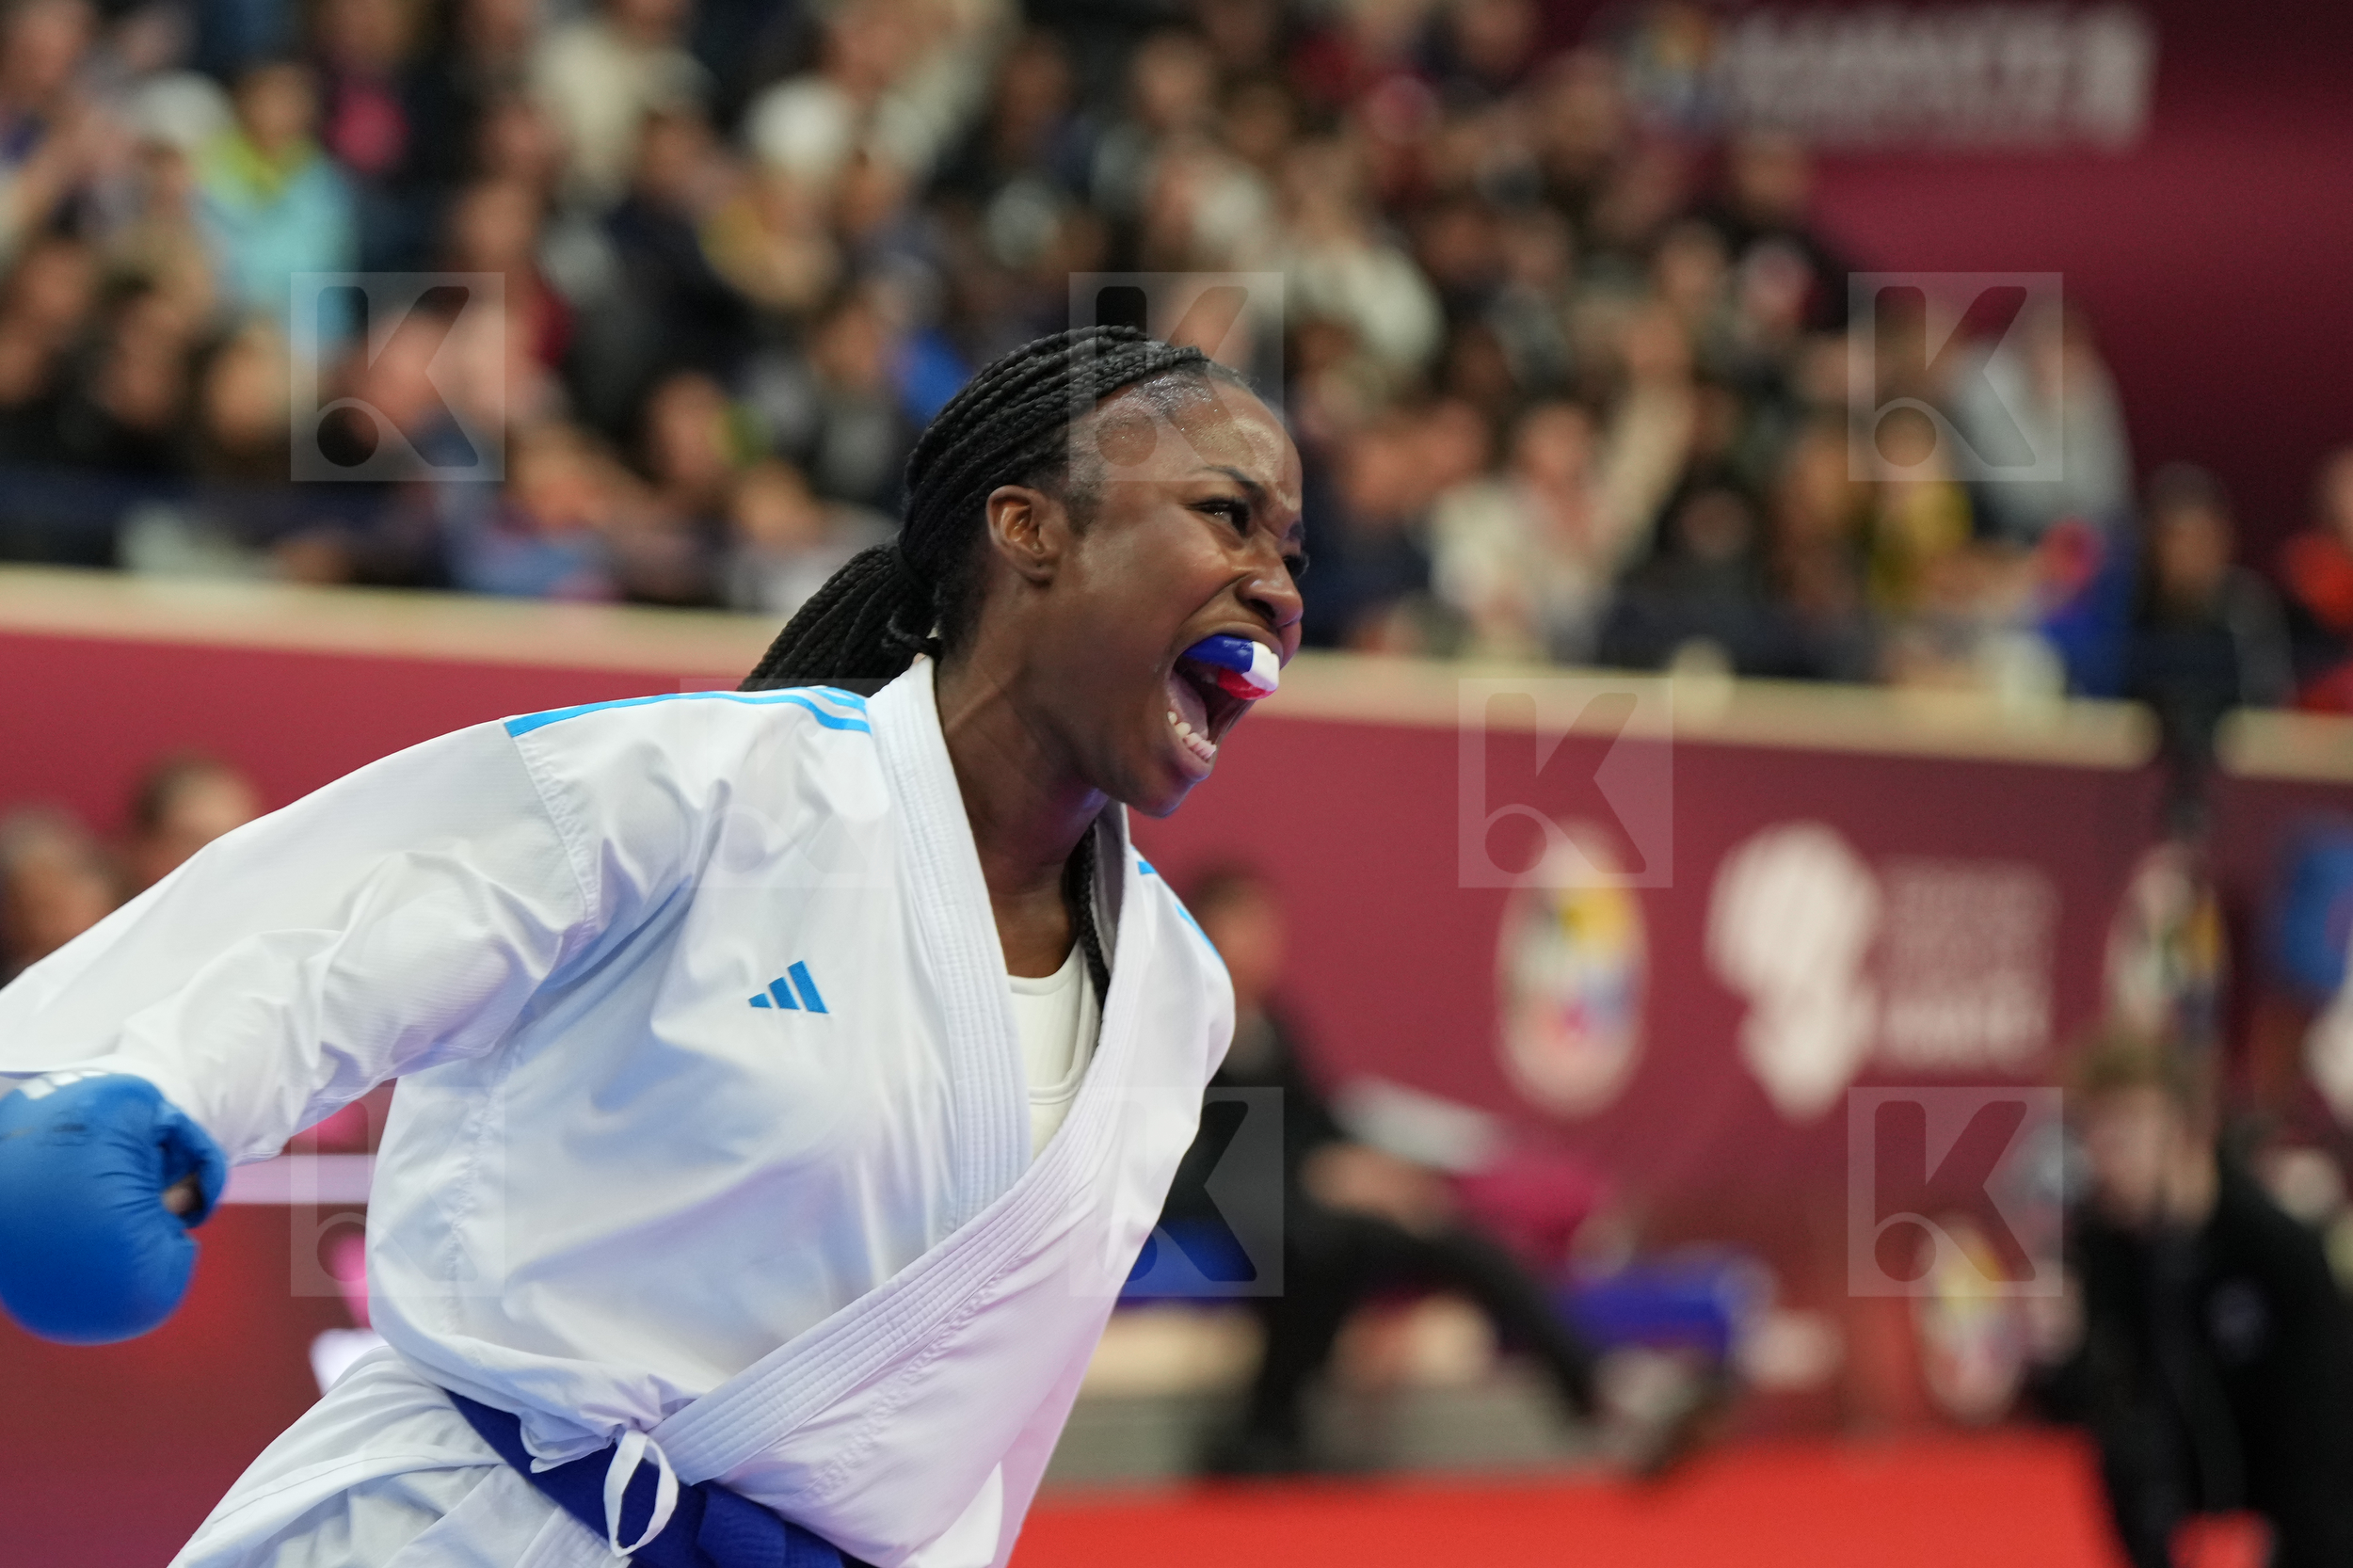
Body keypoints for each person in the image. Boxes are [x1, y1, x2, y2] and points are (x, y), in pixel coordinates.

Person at [0, 325, 1305, 1568]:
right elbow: (325, 951)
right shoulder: (705, 789)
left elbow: (976, 1416)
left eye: (1293, 550)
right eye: (1228, 515)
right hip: (474, 1528)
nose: (1280, 587)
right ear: (1029, 528)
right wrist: (127, 1092)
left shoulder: (1176, 991)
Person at [1158, 865, 1597, 1475]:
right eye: (1242, 928)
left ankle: (1594, 1389)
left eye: (1266, 929)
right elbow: (1197, 1148)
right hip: (1227, 1204)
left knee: (1442, 1232)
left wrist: (1378, 1171)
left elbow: (1319, 1119)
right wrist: (1316, 1173)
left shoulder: (1277, 1025)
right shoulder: (1176, 1025)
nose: (1259, 945)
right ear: (1203, 935)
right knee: (1321, 1240)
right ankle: (1269, 1424)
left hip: (1307, 1206)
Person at [2036, 1035, 2353, 1568]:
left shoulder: (2277, 1248)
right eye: (2093, 1133)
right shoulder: (2102, 1246)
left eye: (2127, 1130)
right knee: (2129, 1451)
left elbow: (2328, 1415)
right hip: (2182, 1458)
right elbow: (2080, 1401)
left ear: (2190, 1127)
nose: (2107, 1156)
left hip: (2293, 1459)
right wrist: (2058, 1354)